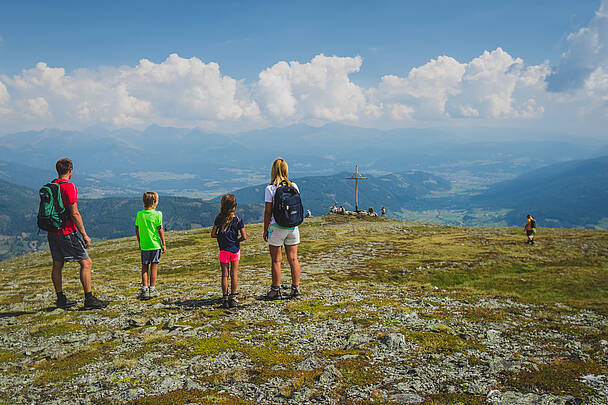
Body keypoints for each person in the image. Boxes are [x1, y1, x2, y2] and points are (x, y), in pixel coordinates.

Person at [47, 158, 108, 309]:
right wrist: (84, 234)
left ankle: (60, 298)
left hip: (52, 231)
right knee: (86, 263)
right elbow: (74, 213)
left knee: (57, 264)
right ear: (70, 170)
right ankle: (89, 299)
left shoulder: (51, 185)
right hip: (66, 231)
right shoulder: (69, 187)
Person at [263, 158, 301, 300]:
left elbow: (268, 212)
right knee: (293, 258)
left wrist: (266, 229)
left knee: (276, 260)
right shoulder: (294, 186)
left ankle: (275, 290)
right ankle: (295, 289)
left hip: (276, 227)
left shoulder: (270, 189)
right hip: (293, 226)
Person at [211, 194, 247, 308]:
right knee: (234, 273)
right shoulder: (238, 220)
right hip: (235, 249)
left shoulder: (219, 219)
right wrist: (237, 241)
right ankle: (233, 297)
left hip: (223, 250)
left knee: (224, 275)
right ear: (235, 206)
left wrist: (221, 238)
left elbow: (212, 234)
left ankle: (225, 298)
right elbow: (244, 236)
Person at [135, 192, 166, 300]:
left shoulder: (139, 214)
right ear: (154, 202)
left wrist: (139, 243)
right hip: (155, 245)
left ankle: (144, 289)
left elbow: (137, 229)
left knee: (144, 267)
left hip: (144, 245)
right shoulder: (158, 214)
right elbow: (160, 230)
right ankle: (152, 289)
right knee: (154, 266)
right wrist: (163, 244)